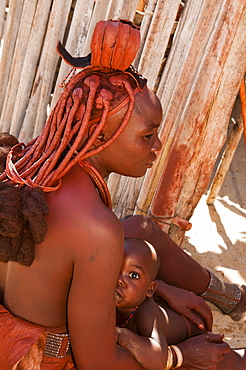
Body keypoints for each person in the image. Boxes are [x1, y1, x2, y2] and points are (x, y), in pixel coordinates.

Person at [0, 19, 245, 369]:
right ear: (100, 138)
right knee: (224, 361)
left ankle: (233, 299)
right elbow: (98, 363)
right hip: (39, 357)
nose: (157, 146)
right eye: (147, 136)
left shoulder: (27, 164)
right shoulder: (95, 228)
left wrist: (156, 287)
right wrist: (182, 358)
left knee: (141, 230)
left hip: (14, 318)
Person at [116, 238, 246, 370]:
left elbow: (158, 359)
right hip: (167, 324)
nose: (120, 280)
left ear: (150, 289)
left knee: (224, 363)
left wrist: (122, 335)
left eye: (133, 275)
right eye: (115, 269)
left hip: (193, 332)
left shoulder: (145, 311)